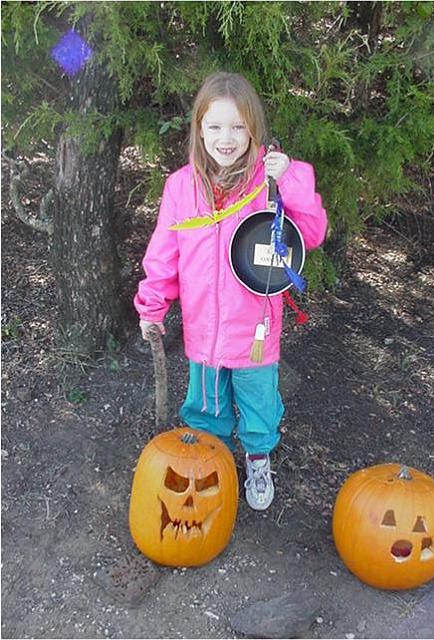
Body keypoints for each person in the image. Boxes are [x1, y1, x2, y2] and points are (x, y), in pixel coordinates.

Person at [134, 72, 327, 510]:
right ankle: (210, 462)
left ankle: (257, 457)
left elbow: (312, 233)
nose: (226, 138)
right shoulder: (182, 187)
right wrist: (153, 303)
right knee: (205, 405)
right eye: (216, 126)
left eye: (238, 127)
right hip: (202, 328)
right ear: (199, 128)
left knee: (258, 399)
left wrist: (292, 180)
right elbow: (164, 253)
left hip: (254, 327)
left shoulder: (271, 183)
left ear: (254, 129)